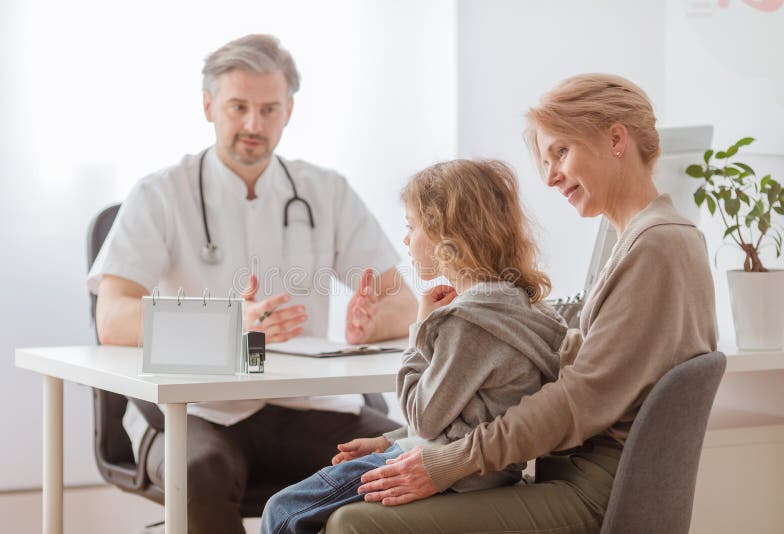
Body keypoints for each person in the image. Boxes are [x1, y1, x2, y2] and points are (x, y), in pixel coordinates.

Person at [323, 74, 719, 533]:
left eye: (560, 153)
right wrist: (406, 439)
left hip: (597, 490)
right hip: (577, 474)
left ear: (615, 139)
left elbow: (576, 400)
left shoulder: (657, 248)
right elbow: (534, 385)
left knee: (356, 522)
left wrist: (446, 463)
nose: (550, 177)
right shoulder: (637, 241)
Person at [87, 34, 416, 534]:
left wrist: (371, 322)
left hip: (308, 406)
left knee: (412, 460)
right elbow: (112, 320)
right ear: (208, 106)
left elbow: (402, 301)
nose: (252, 125)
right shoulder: (160, 194)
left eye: (268, 109)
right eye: (238, 107)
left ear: (289, 110)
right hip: (195, 409)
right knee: (197, 473)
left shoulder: (325, 191)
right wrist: (227, 324)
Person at [260, 159, 568, 534]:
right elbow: (467, 415)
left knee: (283, 510)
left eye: (412, 227)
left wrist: (420, 328)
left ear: (445, 235)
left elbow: (424, 416)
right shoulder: (521, 308)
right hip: (480, 471)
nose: (406, 240)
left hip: (448, 471)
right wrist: (387, 440)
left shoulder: (469, 323)